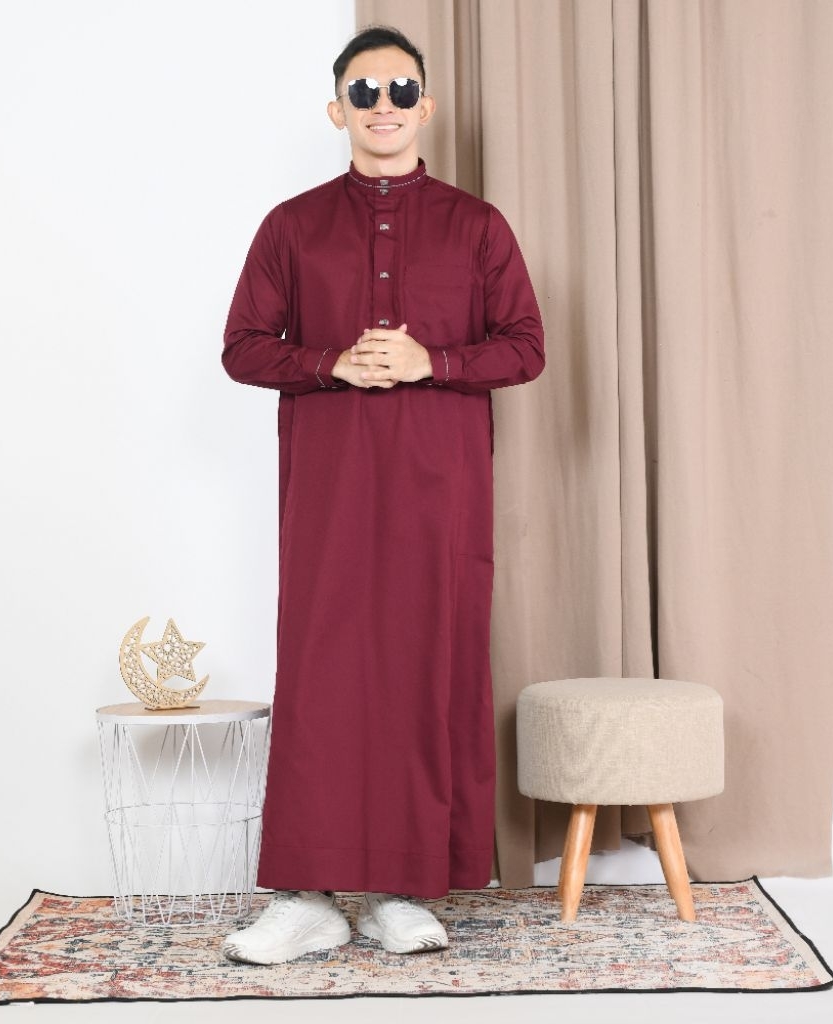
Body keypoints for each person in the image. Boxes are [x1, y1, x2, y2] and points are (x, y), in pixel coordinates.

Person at [220, 25, 544, 965]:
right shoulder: (292, 226)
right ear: (338, 111)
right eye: (363, 93)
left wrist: (429, 361)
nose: (384, 106)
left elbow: (525, 345)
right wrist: (331, 363)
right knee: (323, 675)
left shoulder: (477, 226)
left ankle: (401, 893)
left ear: (425, 107)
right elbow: (243, 347)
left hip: (441, 496)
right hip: (329, 492)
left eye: (401, 90)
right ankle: (308, 898)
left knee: (421, 666)